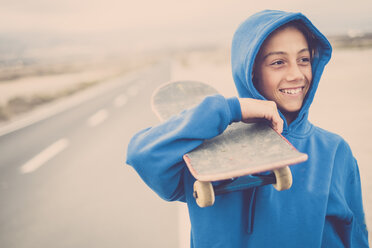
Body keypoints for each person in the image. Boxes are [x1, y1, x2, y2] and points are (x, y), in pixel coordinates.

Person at [126, 10, 369, 247]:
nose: (296, 74)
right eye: (278, 62)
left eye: (304, 59)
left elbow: (353, 235)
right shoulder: (205, 151)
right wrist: (232, 110)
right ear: (251, 71)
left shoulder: (333, 150)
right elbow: (142, 154)